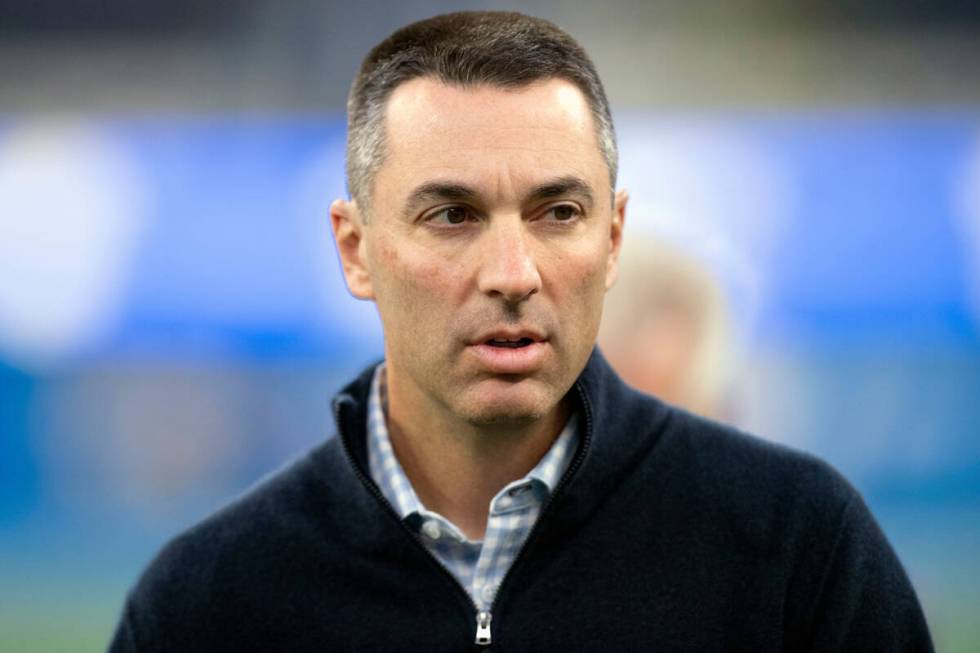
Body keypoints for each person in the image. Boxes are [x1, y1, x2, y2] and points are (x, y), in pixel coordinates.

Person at [110, 11, 933, 652]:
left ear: (611, 240)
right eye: (452, 214)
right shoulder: (206, 602)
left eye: (559, 212)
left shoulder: (798, 547)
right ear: (356, 251)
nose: (514, 271)